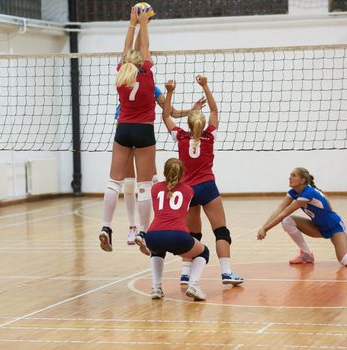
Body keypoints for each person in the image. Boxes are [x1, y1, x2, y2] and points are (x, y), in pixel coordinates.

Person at [161, 77, 244, 286]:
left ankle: (185, 274)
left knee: (192, 234)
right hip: (207, 187)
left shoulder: (180, 137)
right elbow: (214, 111)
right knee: (221, 231)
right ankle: (226, 272)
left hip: (187, 189)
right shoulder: (210, 136)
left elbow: (165, 116)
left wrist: (170, 92)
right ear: (204, 123)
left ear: (188, 123)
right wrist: (205, 85)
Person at [115, 84, 205, 246]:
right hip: (124, 132)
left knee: (152, 181)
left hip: (143, 134)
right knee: (128, 183)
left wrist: (192, 111)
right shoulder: (125, 81)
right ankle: (132, 227)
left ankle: (154, 224)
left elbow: (171, 113)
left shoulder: (152, 88)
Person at [99, 7, 156, 252]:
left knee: (114, 182)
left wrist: (132, 23)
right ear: (142, 62)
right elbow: (144, 48)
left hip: (123, 129)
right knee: (144, 186)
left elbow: (128, 51)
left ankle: (106, 227)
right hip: (144, 131)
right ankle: (143, 232)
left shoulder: (121, 75)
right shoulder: (147, 74)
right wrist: (145, 24)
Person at [257, 167, 347, 266]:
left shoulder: (308, 193)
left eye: (293, 175)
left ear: (302, 180)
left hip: (334, 227)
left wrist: (266, 229)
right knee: (287, 221)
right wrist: (263, 227)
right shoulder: (293, 192)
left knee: (346, 261)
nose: (289, 178)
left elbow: (285, 211)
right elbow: (280, 208)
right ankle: (306, 255)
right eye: (289, 175)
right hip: (317, 227)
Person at [145, 158, 209, 301]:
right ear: (182, 174)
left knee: (157, 251)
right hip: (177, 235)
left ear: (164, 172)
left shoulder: (154, 189)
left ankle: (156, 287)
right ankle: (193, 285)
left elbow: (163, 189)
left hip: (152, 235)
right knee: (204, 251)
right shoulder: (189, 191)